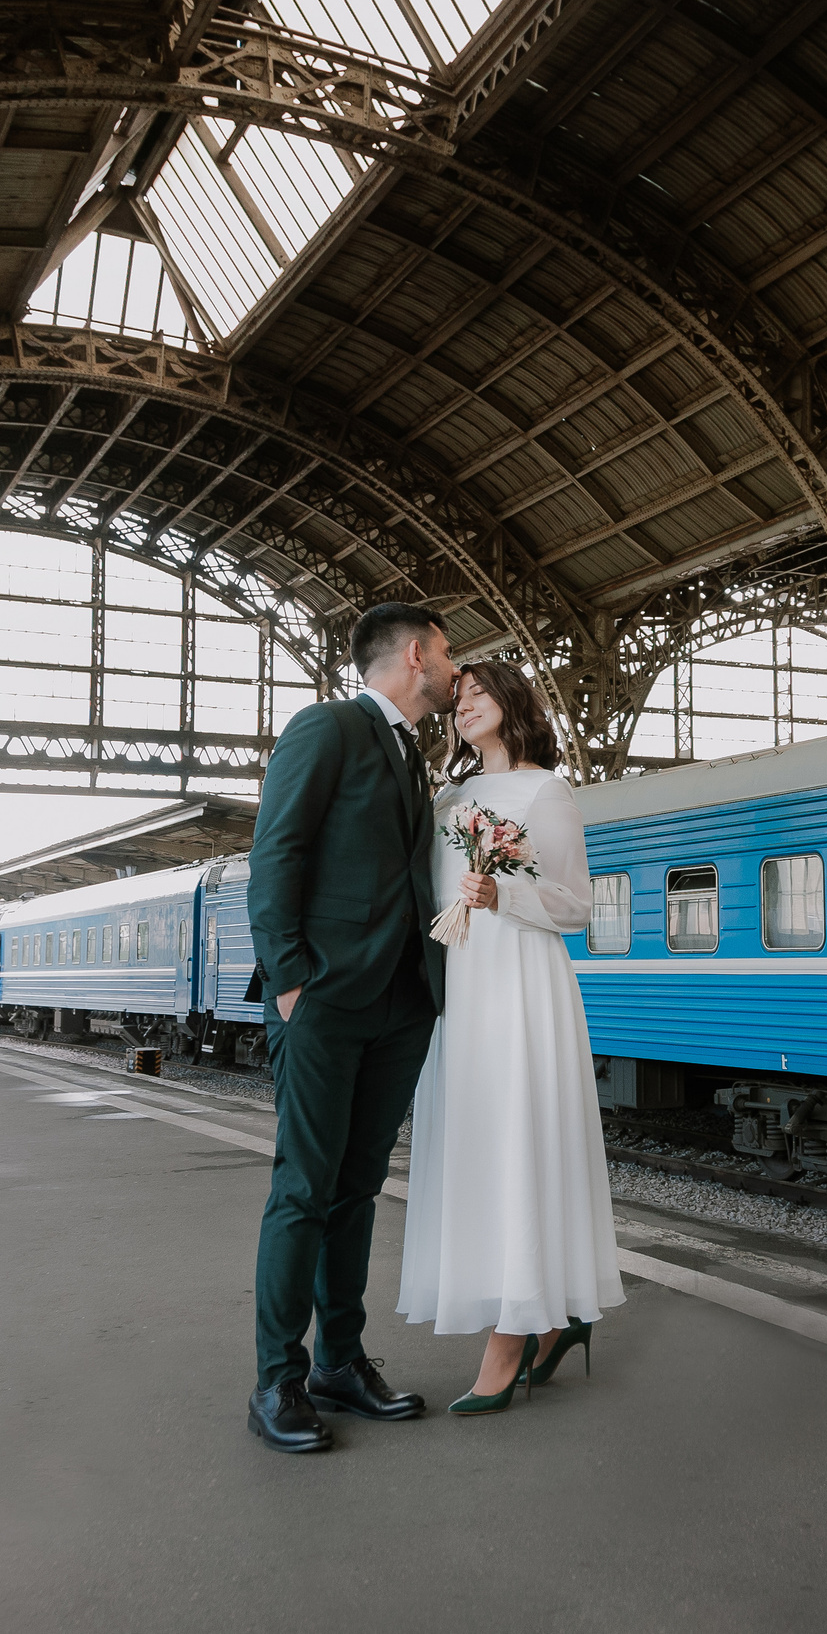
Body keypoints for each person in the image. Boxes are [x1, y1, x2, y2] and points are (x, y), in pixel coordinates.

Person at [242, 602, 456, 1455]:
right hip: (326, 999)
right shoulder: (326, 728)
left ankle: (338, 1359)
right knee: (303, 1187)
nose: (451, 665)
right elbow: (277, 852)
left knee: (357, 1189)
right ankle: (276, 1379)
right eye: (445, 651)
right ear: (413, 655)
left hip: (401, 1004)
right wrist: (291, 978)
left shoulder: (417, 756)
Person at [397, 658, 624, 1414]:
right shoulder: (451, 796)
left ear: (511, 701)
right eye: (457, 698)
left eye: (478, 692)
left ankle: (512, 1328)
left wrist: (505, 890)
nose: (464, 706)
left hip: (523, 979)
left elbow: (577, 904)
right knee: (477, 1143)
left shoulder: (545, 790)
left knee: (516, 1138)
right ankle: (547, 1315)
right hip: (464, 981)